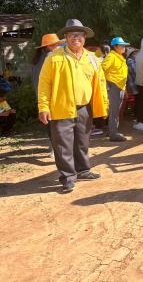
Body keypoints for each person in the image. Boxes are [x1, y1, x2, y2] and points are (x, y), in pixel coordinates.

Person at [38, 19, 108, 193]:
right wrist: (43, 107)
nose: (76, 38)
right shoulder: (53, 58)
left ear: (84, 38)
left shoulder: (92, 59)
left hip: (85, 107)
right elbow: (44, 84)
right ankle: (68, 177)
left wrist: (104, 105)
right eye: (72, 35)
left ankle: (83, 170)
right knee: (63, 145)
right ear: (66, 37)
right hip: (61, 107)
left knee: (83, 141)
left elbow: (100, 82)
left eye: (80, 35)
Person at [31, 33, 64, 155]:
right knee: (56, 125)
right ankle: (57, 150)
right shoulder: (50, 57)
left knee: (50, 125)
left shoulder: (36, 60)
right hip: (52, 96)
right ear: (50, 46)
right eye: (57, 44)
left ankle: (53, 148)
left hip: (41, 96)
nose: (59, 47)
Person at [102, 37, 130, 142]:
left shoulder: (119, 57)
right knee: (114, 112)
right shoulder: (111, 56)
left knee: (115, 111)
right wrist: (107, 84)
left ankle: (112, 131)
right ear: (115, 46)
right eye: (121, 45)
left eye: (124, 45)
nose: (124, 47)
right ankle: (113, 134)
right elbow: (101, 69)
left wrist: (125, 89)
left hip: (119, 87)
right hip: (114, 87)